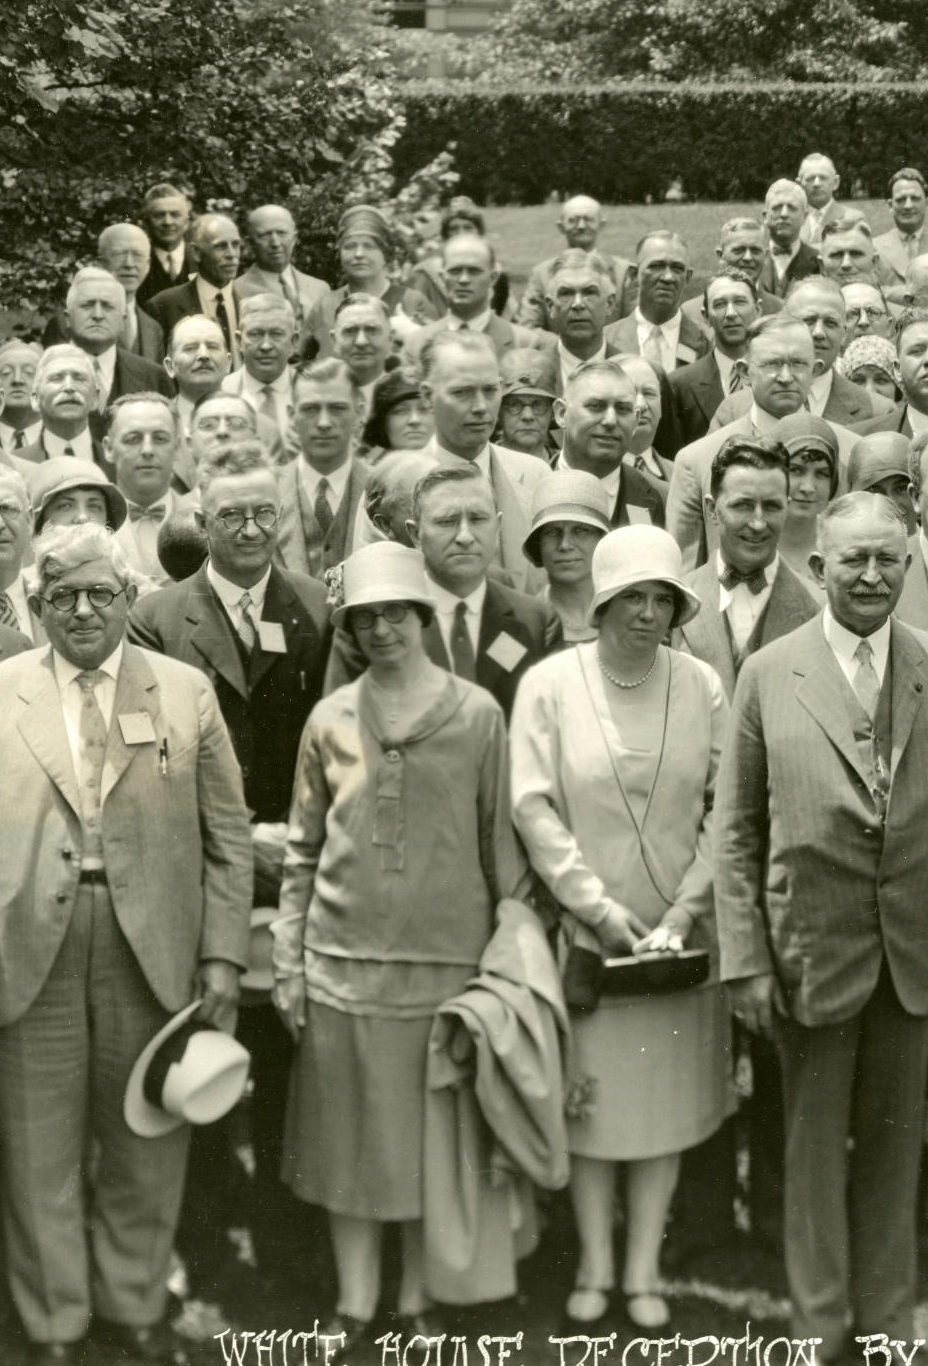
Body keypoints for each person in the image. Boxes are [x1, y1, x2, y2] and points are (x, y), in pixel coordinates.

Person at [718, 492, 928, 1344]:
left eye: (888, 558)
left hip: (916, 952)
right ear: (817, 567)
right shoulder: (768, 672)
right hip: (810, 949)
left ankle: (886, 1324)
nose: (870, 574)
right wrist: (744, 958)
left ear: (907, 565)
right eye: (851, 558)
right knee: (812, 1153)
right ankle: (820, 1329)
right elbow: (736, 829)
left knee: (897, 1152)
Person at [0, 522, 260, 1355]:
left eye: (101, 592)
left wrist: (223, 953)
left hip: (153, 946)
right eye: (62, 595)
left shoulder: (183, 690)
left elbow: (228, 837)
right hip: (26, 943)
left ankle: (131, 1304)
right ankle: (55, 1318)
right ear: (36, 603)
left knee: (146, 1141)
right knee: (37, 1145)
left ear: (130, 598)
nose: (83, 609)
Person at [281, 539, 523, 1328]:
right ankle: (354, 1299)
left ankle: (418, 1294)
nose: (382, 628)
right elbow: (301, 849)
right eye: (364, 617)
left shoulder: (479, 713)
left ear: (422, 614)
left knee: (429, 1144)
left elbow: (502, 850)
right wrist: (290, 960)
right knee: (346, 1142)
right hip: (340, 964)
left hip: (447, 967)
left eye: (395, 612)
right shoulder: (328, 718)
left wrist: (501, 966)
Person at [513, 524, 740, 1330]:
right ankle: (595, 1263)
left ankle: (642, 1268)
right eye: (630, 597)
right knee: (595, 1113)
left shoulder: (703, 683)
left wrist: (683, 910)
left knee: (661, 1115)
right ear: (601, 602)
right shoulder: (549, 683)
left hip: (680, 940)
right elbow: (532, 805)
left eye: (661, 598)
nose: (646, 613)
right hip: (588, 939)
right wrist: (598, 912)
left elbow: (728, 807)